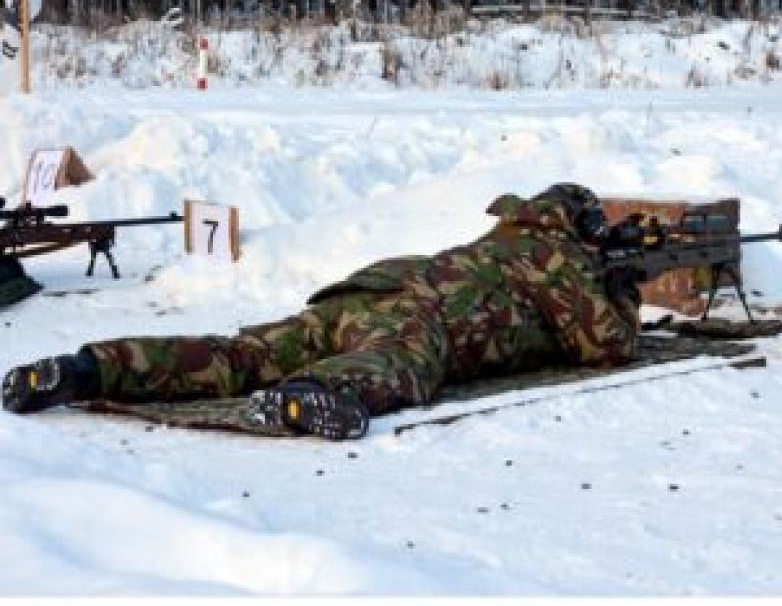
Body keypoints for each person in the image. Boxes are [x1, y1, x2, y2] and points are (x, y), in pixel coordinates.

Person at [2, 183, 640, 440]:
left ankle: (89, 370)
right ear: (576, 226)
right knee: (400, 365)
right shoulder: (560, 258)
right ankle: (316, 394)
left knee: (241, 353)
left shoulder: (500, 239)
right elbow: (606, 347)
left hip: (359, 294)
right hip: (415, 319)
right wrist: (625, 287)